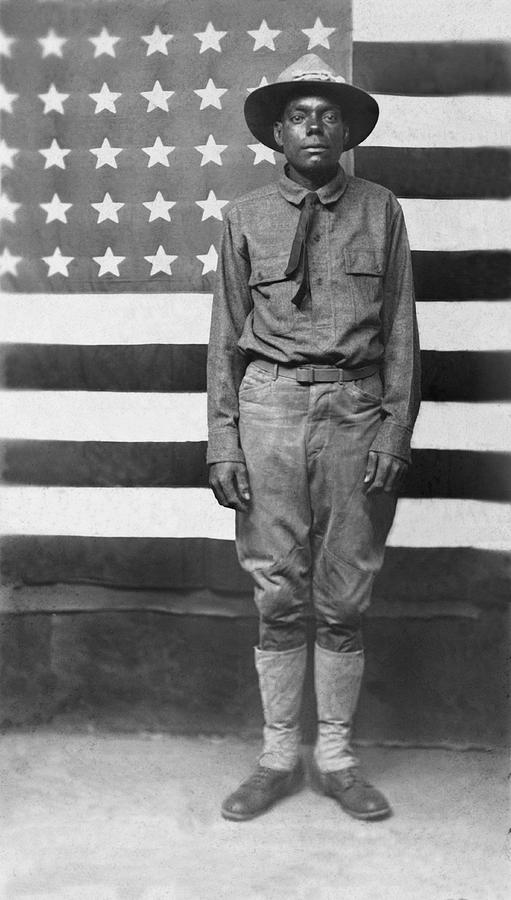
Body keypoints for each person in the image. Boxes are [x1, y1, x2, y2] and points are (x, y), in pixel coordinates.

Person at [207, 53, 421, 822]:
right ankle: (275, 756)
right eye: (299, 114)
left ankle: (333, 755)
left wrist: (394, 428)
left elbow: (400, 331)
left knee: (343, 591)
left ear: (346, 130)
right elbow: (225, 338)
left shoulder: (378, 208)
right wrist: (223, 442)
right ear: (275, 131)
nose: (315, 125)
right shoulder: (244, 217)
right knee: (277, 588)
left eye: (328, 114)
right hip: (266, 410)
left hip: (355, 410)